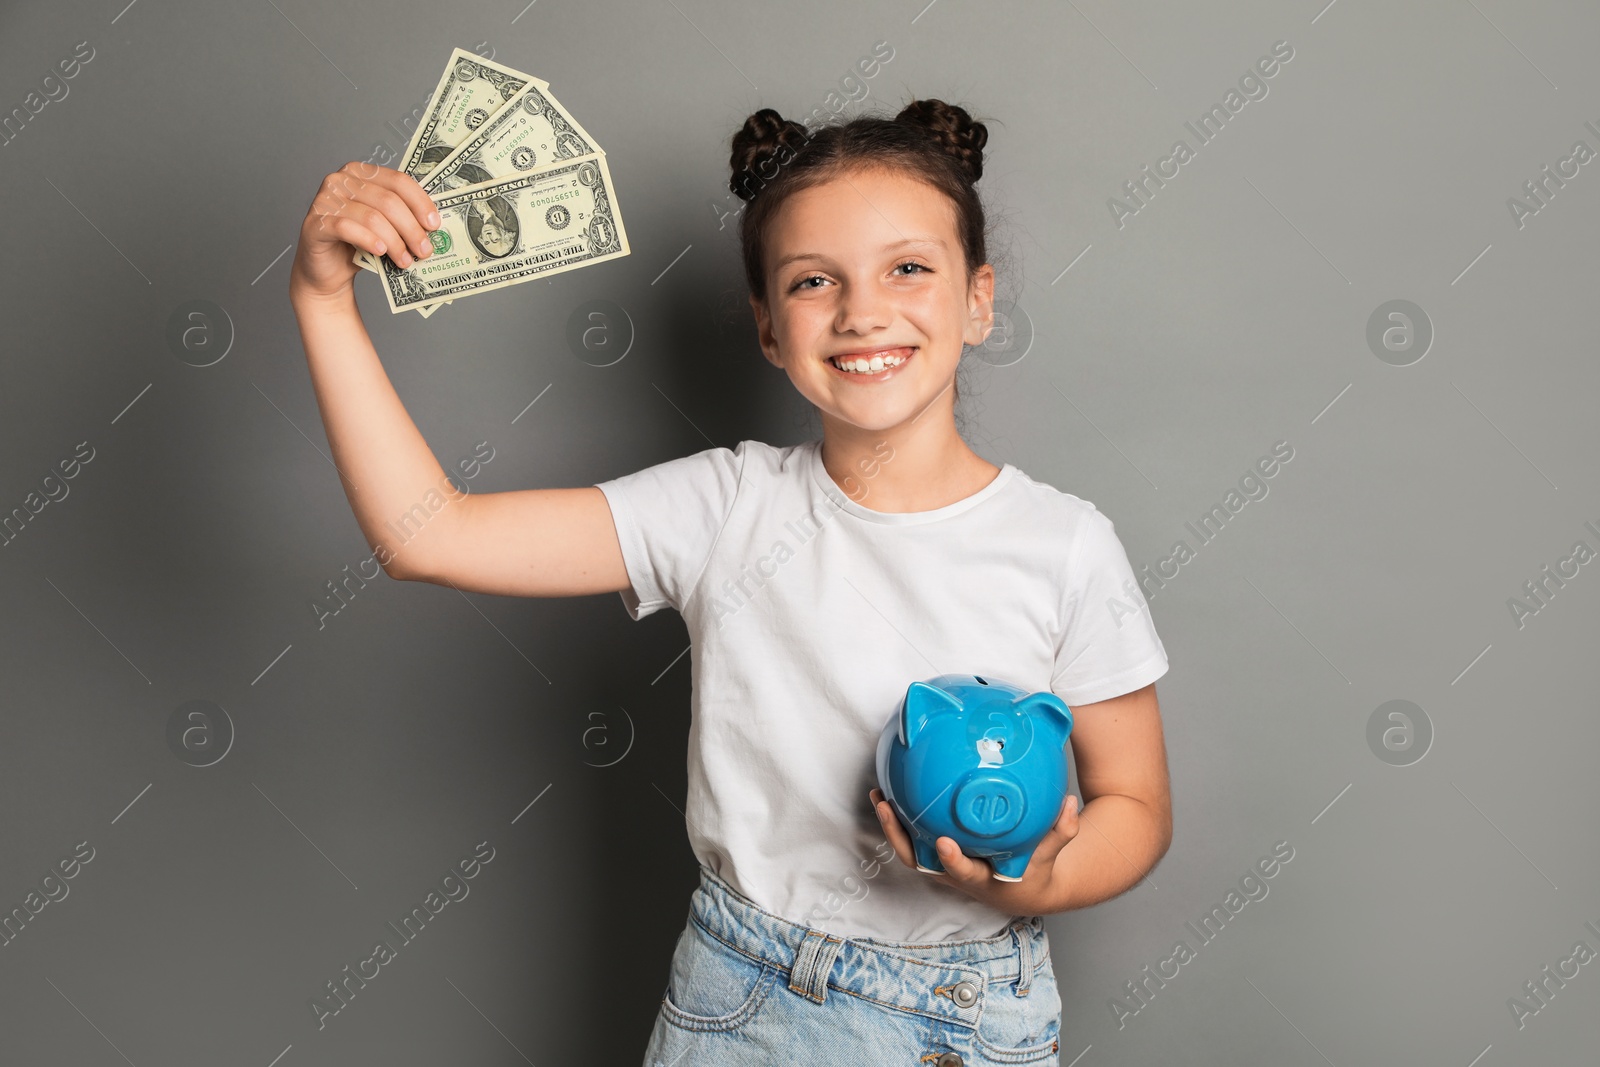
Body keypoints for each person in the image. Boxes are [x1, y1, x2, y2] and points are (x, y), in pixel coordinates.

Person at [287, 96, 1172, 1066]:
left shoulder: (1066, 544)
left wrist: (1030, 882)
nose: (862, 310)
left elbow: (1134, 804)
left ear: (979, 297)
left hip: (964, 1016)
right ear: (766, 326)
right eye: (811, 280)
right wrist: (321, 302)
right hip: (741, 1002)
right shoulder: (723, 507)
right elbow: (432, 534)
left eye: (908, 268)